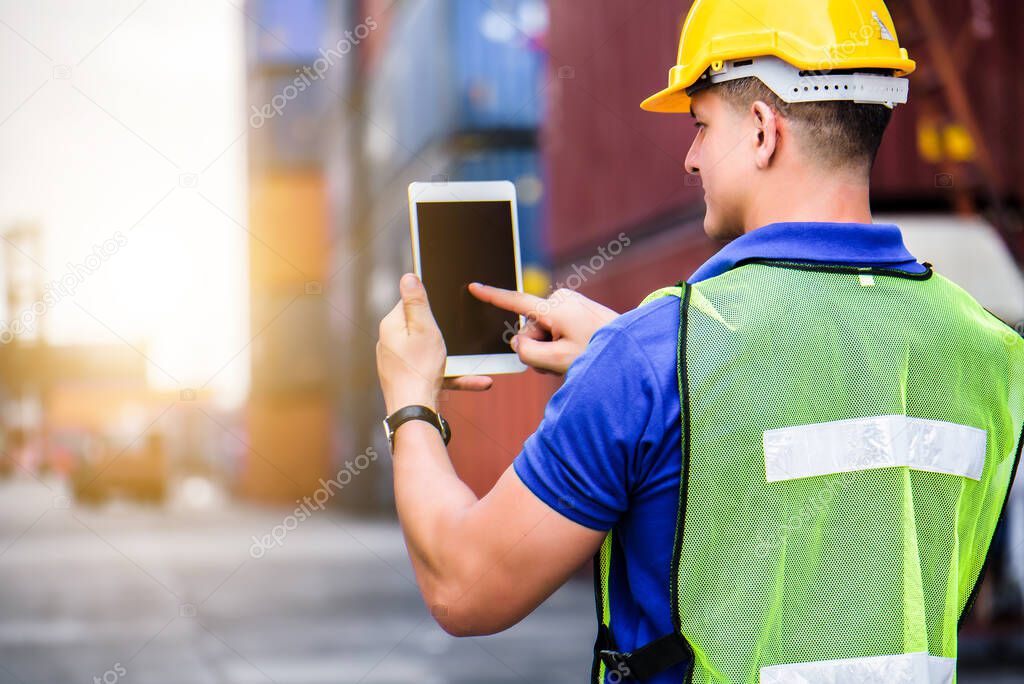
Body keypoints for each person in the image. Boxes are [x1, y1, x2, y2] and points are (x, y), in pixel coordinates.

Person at [375, 1, 1024, 682]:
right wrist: (633, 353)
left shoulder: (651, 362)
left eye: (700, 126)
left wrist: (410, 401)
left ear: (764, 132)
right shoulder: (986, 348)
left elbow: (464, 585)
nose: (689, 159)